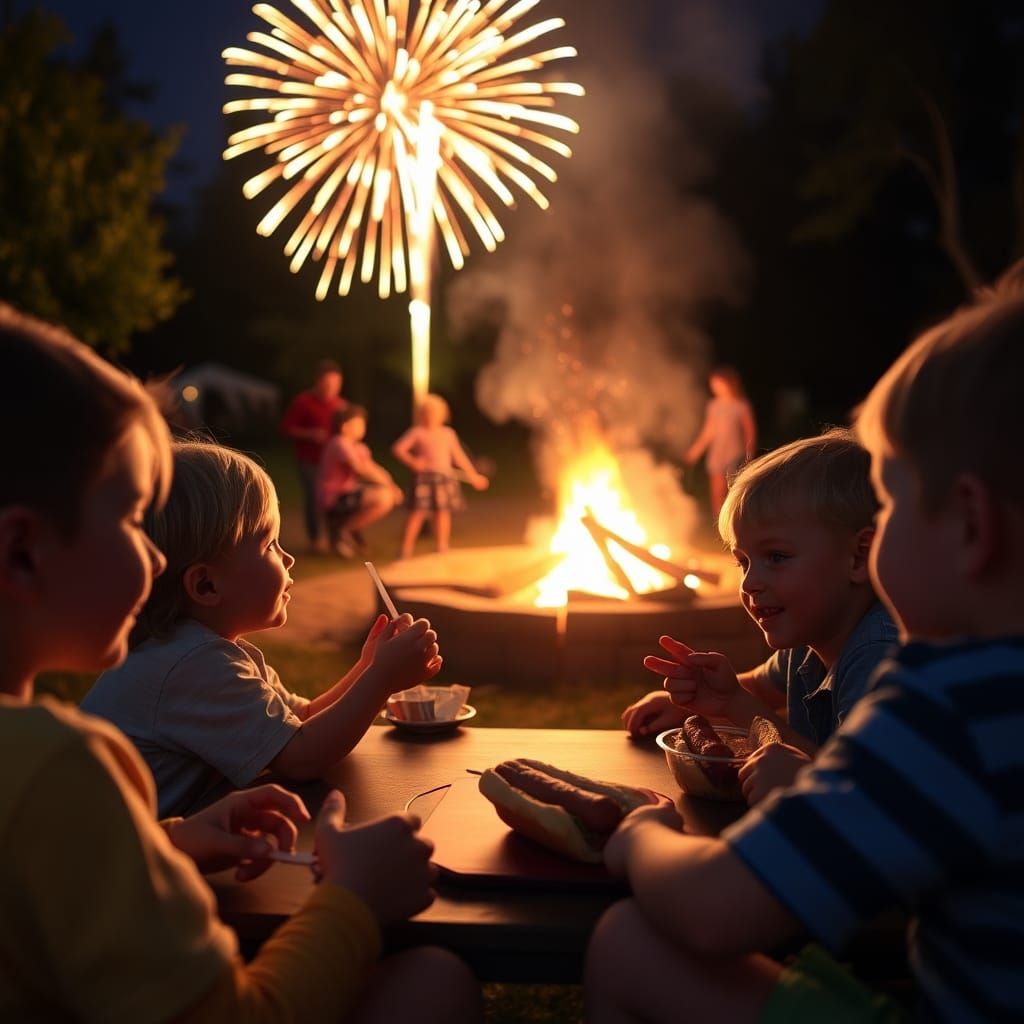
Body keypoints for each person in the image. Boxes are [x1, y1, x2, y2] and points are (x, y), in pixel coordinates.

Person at [0, 306, 480, 1022]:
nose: (158, 558)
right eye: (133, 521)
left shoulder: (40, 760)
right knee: (435, 980)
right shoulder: (66, 768)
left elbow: (67, 872)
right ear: (22, 552)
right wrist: (353, 902)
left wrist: (173, 839)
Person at [585, 286, 1024, 1022]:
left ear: (970, 525)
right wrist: (732, 698)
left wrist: (641, 839)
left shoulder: (950, 704)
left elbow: (713, 909)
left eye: (892, 507)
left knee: (628, 940)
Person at [82, 438, 444, 818]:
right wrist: (381, 680)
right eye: (270, 544)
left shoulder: (201, 651)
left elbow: (299, 722)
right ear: (207, 585)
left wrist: (367, 669)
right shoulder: (191, 665)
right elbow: (302, 757)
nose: (287, 557)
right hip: (119, 865)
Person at [622, 428, 898, 805]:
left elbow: (859, 789)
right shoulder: (808, 642)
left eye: (777, 557)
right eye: (743, 562)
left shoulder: (879, 656)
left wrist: (735, 705)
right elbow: (759, 686)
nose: (750, 583)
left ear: (858, 556)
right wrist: (696, 700)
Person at [392, 393, 489, 558]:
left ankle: (442, 546)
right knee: (417, 513)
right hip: (424, 479)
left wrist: (473, 476)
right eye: (427, 412)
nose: (431, 416)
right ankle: (405, 549)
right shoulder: (417, 432)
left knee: (443, 513)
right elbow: (398, 449)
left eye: (435, 412)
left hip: (444, 479)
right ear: (421, 414)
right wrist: (413, 461)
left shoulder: (447, 434)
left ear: (443, 415)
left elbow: (459, 456)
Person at [319, 404, 403, 558]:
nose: (362, 428)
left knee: (386, 496)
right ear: (345, 426)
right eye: (358, 424)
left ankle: (347, 530)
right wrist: (388, 488)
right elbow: (360, 470)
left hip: (348, 492)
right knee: (383, 497)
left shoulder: (357, 447)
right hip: (334, 497)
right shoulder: (339, 443)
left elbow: (373, 468)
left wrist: (392, 486)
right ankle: (344, 531)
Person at [281, 359, 346, 553]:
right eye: (327, 384)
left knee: (336, 498)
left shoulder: (340, 405)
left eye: (336, 384)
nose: (331, 388)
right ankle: (316, 539)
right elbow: (286, 428)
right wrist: (309, 434)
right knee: (313, 496)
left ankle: (338, 537)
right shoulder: (303, 402)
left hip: (332, 463)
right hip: (309, 459)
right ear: (318, 382)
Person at [684, 365, 757, 518]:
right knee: (717, 492)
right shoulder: (713, 406)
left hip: (734, 453)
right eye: (713, 384)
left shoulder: (741, 405)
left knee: (734, 491)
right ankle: (719, 523)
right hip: (717, 453)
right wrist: (695, 451)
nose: (715, 387)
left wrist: (749, 454)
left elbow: (750, 431)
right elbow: (709, 431)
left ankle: (734, 521)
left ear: (729, 384)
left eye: (718, 383)